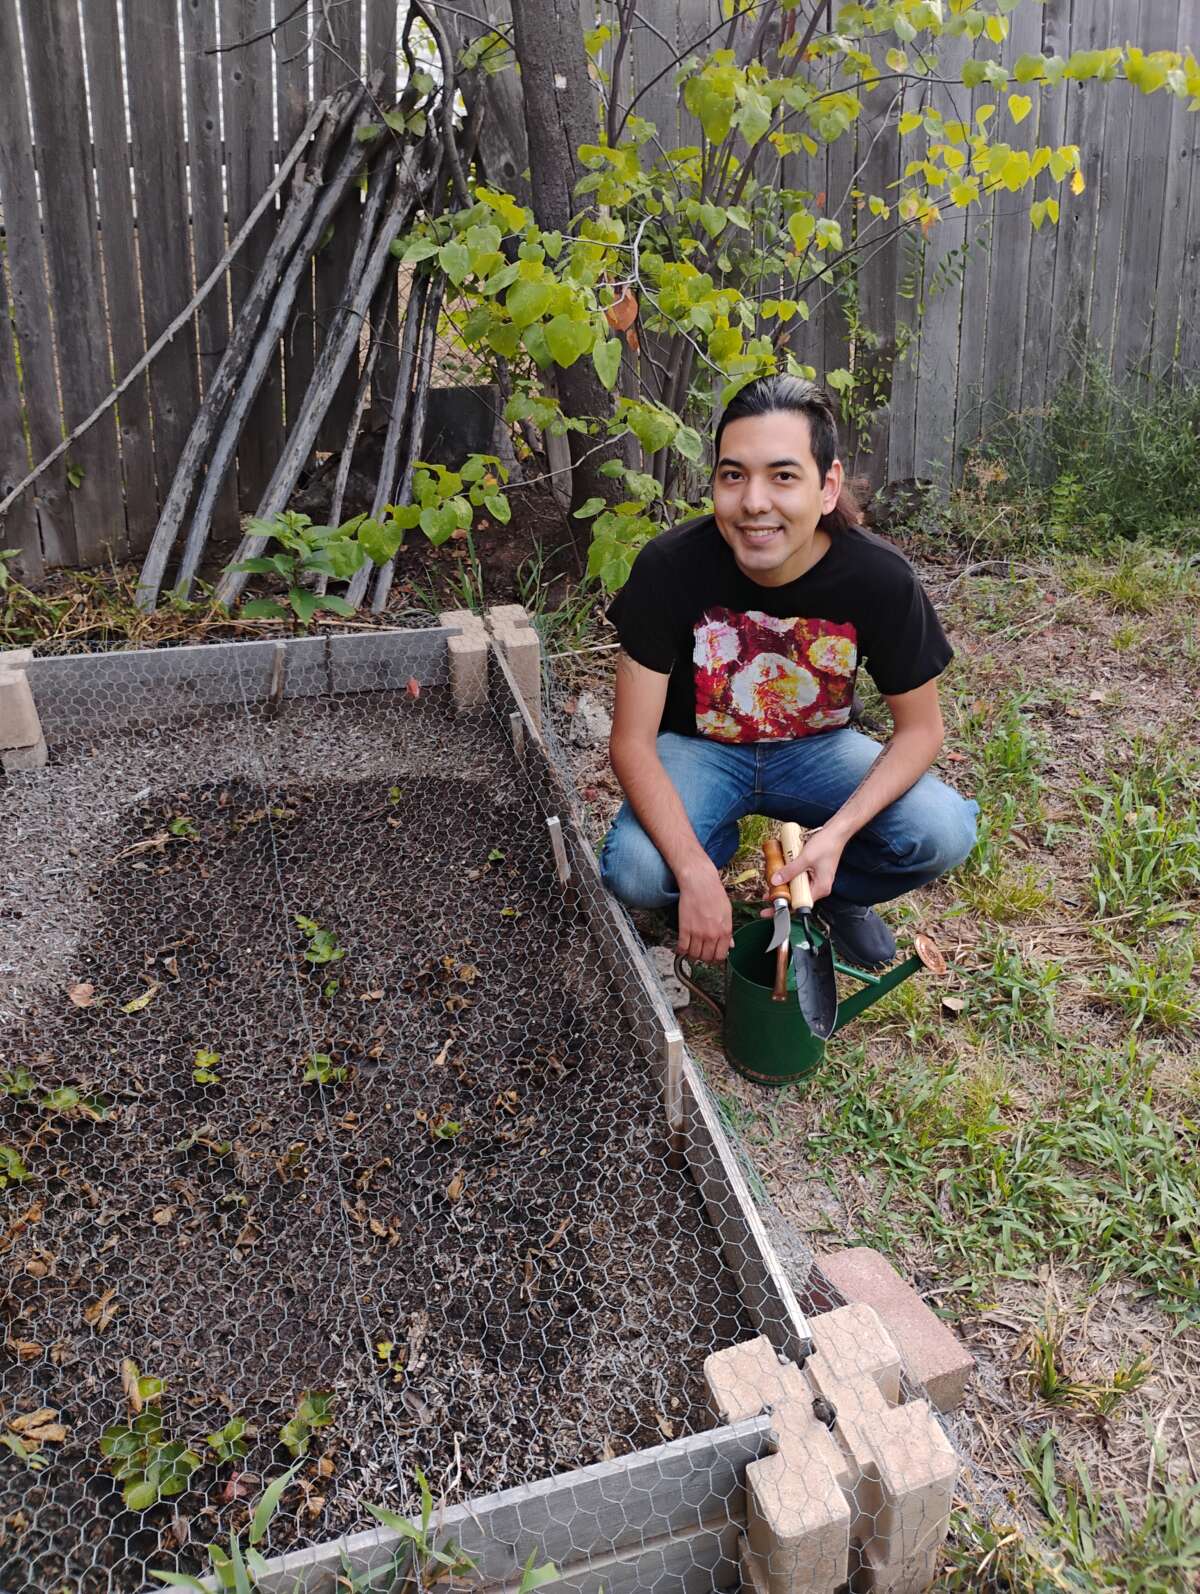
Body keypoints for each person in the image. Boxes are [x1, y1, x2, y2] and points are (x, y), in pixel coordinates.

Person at [599, 374, 977, 970]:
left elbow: (922, 731)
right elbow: (630, 743)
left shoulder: (879, 579)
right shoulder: (668, 568)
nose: (754, 502)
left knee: (943, 828)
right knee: (638, 871)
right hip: (701, 752)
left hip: (817, 750)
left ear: (827, 487)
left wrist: (839, 834)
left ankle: (836, 894)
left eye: (782, 476)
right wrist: (695, 872)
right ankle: (703, 872)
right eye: (733, 476)